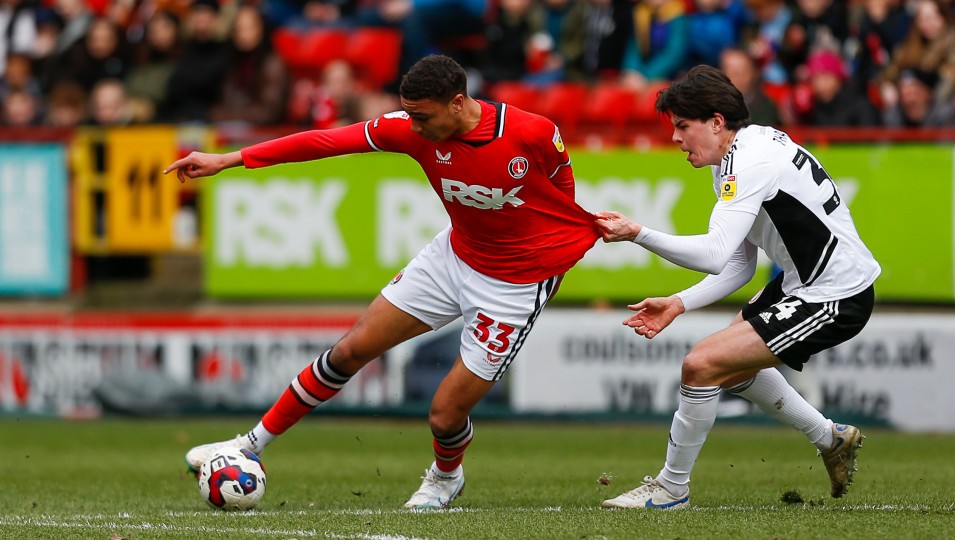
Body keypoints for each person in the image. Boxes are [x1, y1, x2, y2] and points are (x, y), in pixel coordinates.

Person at [163, 54, 600, 510]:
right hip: (455, 256)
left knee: (445, 413)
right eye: (408, 114)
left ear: (456, 103)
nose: (413, 127)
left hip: (514, 285)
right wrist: (229, 159)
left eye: (422, 116)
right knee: (350, 350)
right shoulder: (412, 128)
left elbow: (562, 199)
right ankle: (248, 445)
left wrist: (550, 258)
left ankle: (445, 476)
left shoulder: (530, 132)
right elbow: (326, 141)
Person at [594, 65, 880, 509]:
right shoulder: (741, 151)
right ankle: (831, 438)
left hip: (835, 293)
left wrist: (638, 233)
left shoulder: (748, 163)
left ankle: (671, 489)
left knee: (701, 364)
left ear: (716, 122)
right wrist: (678, 303)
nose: (675, 138)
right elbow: (738, 267)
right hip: (801, 283)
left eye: (682, 126)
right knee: (731, 365)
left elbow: (712, 253)